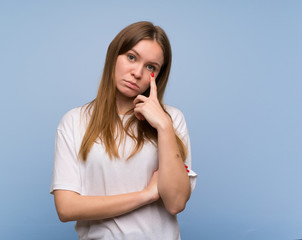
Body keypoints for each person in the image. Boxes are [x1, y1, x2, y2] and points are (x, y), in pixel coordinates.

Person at [50, 21, 197, 240]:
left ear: (157, 76)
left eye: (151, 67)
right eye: (131, 57)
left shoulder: (172, 119)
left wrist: (164, 127)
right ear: (113, 56)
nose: (137, 72)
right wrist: (146, 195)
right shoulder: (74, 121)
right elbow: (66, 208)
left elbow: (176, 203)